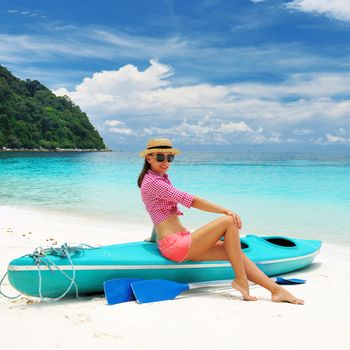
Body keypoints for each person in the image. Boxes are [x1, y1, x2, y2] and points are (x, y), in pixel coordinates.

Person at [138, 138, 304, 304]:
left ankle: (276, 291)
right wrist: (225, 210)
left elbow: (157, 212)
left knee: (233, 252)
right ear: (149, 158)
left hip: (178, 242)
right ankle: (241, 280)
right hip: (175, 246)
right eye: (160, 157)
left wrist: (153, 238)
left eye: (170, 157)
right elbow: (191, 200)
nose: (165, 162)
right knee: (228, 221)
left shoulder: (156, 178)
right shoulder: (154, 182)